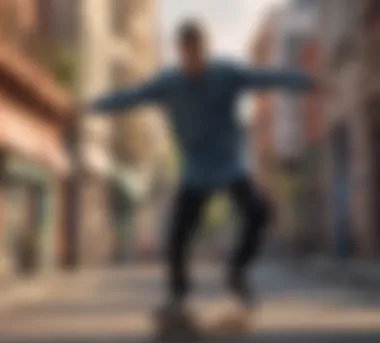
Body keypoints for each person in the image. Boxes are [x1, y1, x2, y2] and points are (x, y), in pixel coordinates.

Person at [87, 20, 323, 320]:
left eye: (198, 53)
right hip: (196, 171)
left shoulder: (225, 74)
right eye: (187, 54)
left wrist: (308, 81)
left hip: (230, 165)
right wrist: (92, 107)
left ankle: (237, 271)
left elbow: (268, 78)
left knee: (260, 213)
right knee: (178, 235)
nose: (193, 61)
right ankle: (178, 296)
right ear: (180, 52)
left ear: (205, 51)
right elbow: (133, 96)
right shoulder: (168, 83)